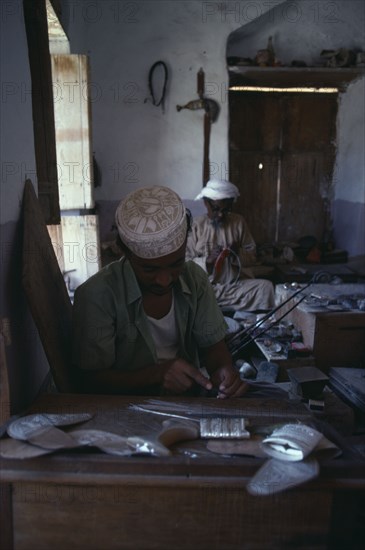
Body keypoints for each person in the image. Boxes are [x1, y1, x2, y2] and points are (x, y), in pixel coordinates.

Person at [72, 185, 248, 398]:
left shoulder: (195, 279)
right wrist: (156, 375)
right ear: (125, 252)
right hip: (123, 410)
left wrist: (223, 373)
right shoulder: (98, 295)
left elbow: (213, 348)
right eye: (149, 269)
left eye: (176, 263)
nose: (164, 280)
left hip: (185, 406)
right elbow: (89, 382)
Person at [186, 179, 275, 312]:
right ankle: (226, 307)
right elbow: (185, 264)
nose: (221, 214)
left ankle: (222, 309)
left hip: (235, 286)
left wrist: (236, 253)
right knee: (189, 294)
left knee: (266, 288)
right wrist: (207, 262)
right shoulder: (196, 226)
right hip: (207, 287)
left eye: (226, 210)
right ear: (206, 203)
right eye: (216, 209)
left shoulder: (238, 222)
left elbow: (252, 256)